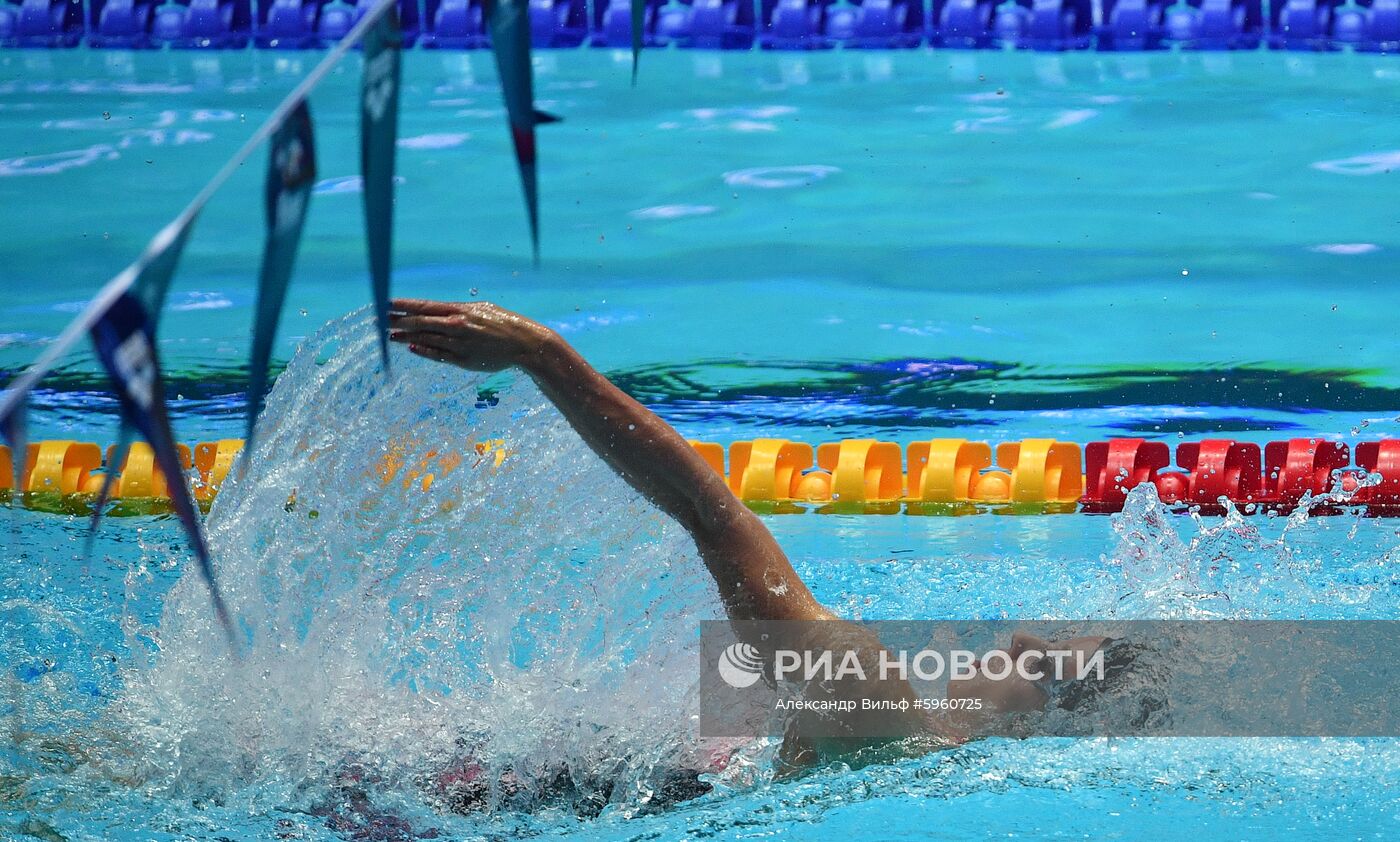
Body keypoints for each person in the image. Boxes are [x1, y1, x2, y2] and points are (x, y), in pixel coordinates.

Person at [388, 299, 1111, 776]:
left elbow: (711, 514)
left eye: (1045, 664)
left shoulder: (907, 714)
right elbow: (712, 518)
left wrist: (544, 355)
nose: (1020, 644)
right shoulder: (878, 716)